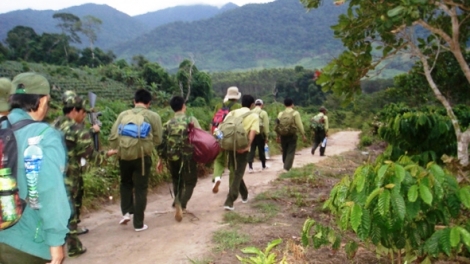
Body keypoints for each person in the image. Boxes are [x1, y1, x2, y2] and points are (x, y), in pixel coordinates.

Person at [0, 72, 71, 264]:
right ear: (43, 100)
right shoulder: (43, 135)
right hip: (26, 243)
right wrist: (56, 242)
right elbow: (50, 192)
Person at [53, 90, 116, 257]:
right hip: (70, 175)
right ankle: (73, 246)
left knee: (61, 207)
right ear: (74, 111)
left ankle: (61, 236)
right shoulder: (79, 130)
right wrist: (107, 154)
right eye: (82, 113)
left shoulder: (55, 124)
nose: (83, 116)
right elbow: (92, 157)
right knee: (71, 209)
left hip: (53, 174)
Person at [108, 89, 162, 232]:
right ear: (149, 103)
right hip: (142, 157)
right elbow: (158, 139)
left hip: (123, 155)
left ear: (134, 101)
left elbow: (113, 136)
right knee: (140, 188)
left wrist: (116, 150)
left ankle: (126, 212)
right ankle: (138, 224)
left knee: (125, 183)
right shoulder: (153, 116)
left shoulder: (123, 115)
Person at [156, 96, 201, 222]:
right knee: (191, 181)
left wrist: (160, 160)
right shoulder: (191, 120)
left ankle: (177, 201)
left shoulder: (168, 123)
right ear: (184, 106)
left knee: (177, 180)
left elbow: (161, 143)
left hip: (172, 157)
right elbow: (199, 137)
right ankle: (181, 203)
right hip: (187, 156)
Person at [223, 94, 259, 211]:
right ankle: (230, 200)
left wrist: (223, 143)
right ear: (252, 105)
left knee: (236, 170)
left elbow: (223, 127)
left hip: (230, 146)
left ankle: (245, 195)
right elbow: (252, 132)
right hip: (242, 147)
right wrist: (247, 146)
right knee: (238, 173)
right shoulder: (253, 116)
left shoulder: (232, 113)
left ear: (241, 103)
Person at [211, 86, 242, 194]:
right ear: (236, 97)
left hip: (219, 134)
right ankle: (231, 188)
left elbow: (213, 121)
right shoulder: (238, 106)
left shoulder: (219, 105)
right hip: (232, 136)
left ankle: (217, 177)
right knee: (233, 162)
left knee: (219, 159)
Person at [276, 98, 306, 171]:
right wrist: (303, 135)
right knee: (291, 151)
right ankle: (286, 167)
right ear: (292, 104)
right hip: (292, 135)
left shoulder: (280, 113)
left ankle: (285, 164)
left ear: (284, 104)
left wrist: (278, 136)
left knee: (285, 150)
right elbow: (300, 125)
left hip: (283, 135)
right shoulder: (295, 113)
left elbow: (277, 125)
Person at [248, 99, 270, 172]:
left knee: (251, 149)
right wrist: (267, 136)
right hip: (260, 134)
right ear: (262, 105)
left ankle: (250, 167)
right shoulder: (263, 113)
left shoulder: (250, 112)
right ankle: (263, 166)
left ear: (254, 105)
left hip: (251, 133)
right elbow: (266, 125)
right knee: (261, 150)